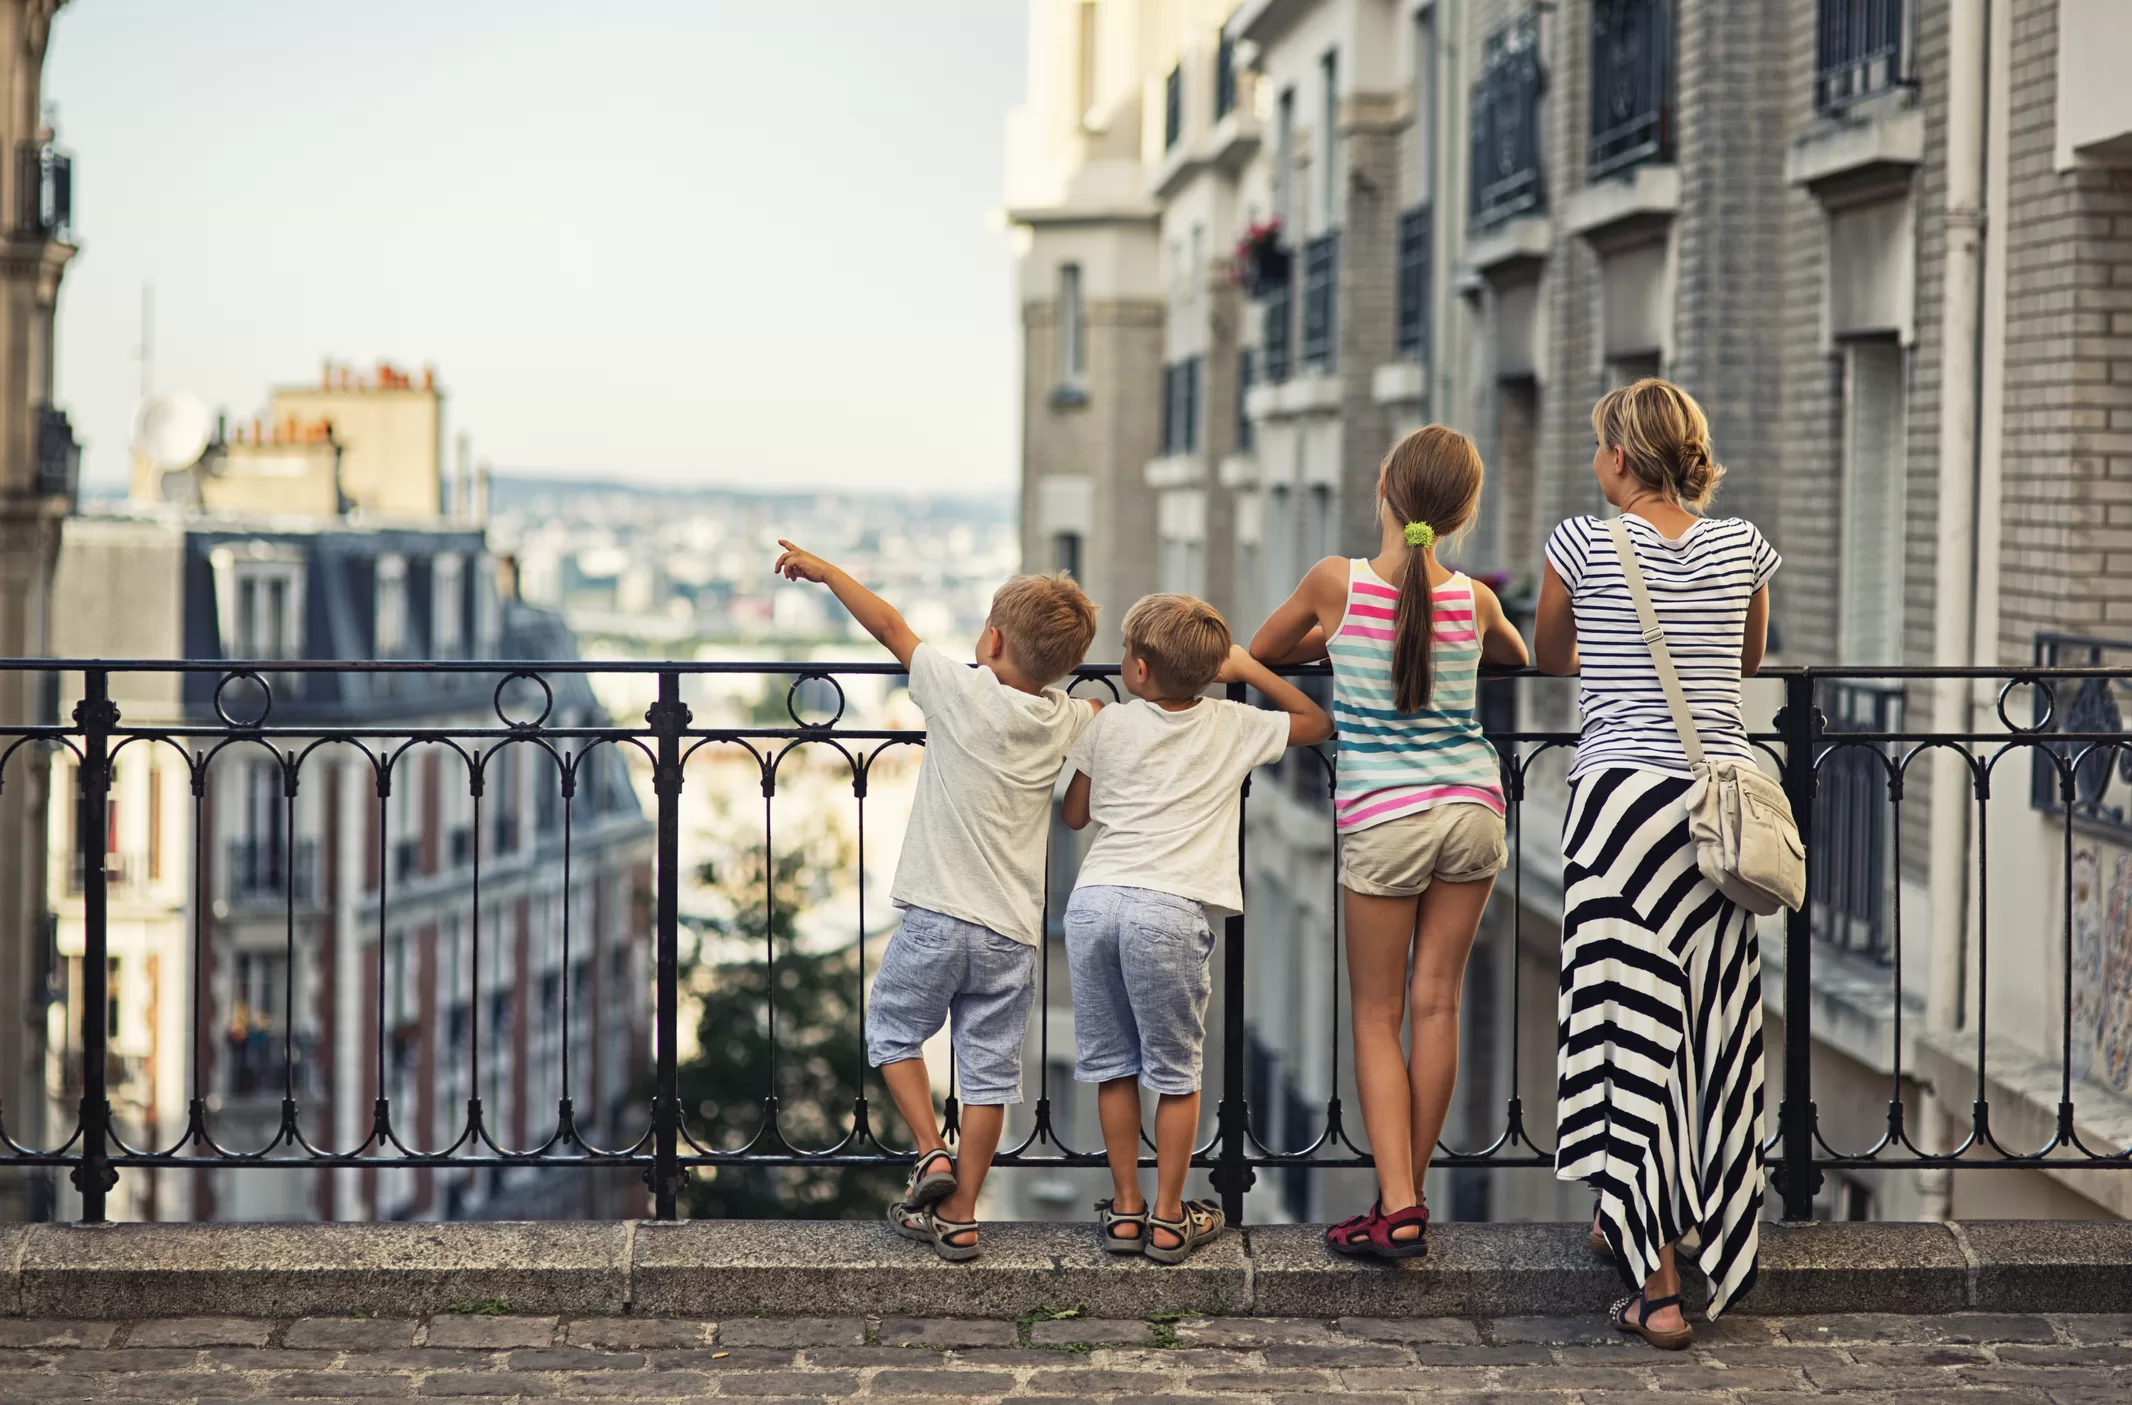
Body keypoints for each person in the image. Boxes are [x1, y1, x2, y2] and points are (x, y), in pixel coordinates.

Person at [1533, 378, 1778, 1348]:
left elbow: (1553, 655)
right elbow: (1748, 662)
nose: (1595, 465)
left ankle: (1657, 1287)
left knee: (1621, 1029)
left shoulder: (1581, 544)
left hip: (1617, 814)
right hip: (1715, 816)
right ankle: (1675, 1227)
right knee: (1699, 1036)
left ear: (1621, 460)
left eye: (1600, 449)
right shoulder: (1743, 546)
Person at [773, 541, 1100, 1261]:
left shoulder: (958, 687)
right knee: (988, 1075)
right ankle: (961, 1216)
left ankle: (930, 1149)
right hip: (1012, 930)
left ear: (992, 638)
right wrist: (1091, 707)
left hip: (934, 913)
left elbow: (890, 626)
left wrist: (827, 572)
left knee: (892, 1032)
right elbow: (1090, 739)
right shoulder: (1069, 718)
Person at [1250, 426, 1528, 1259]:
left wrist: (1336, 640)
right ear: (1464, 511)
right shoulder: (1475, 597)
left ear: (1383, 485)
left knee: (1377, 1014)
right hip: (1474, 808)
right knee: (1437, 1001)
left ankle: (1398, 1203)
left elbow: (1263, 651)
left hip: (1383, 817)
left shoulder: (1334, 583)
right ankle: (1411, 1195)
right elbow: (1513, 653)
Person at [1060, 594, 1331, 1263]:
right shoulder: (1234, 723)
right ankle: (1169, 1214)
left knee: (1112, 1066)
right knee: (1176, 1073)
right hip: (1167, 908)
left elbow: (1073, 814)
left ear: (1141, 671)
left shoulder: (1108, 724)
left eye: (1126, 653)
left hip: (1093, 901)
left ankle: (1125, 1209)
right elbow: (1315, 720)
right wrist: (1248, 667)